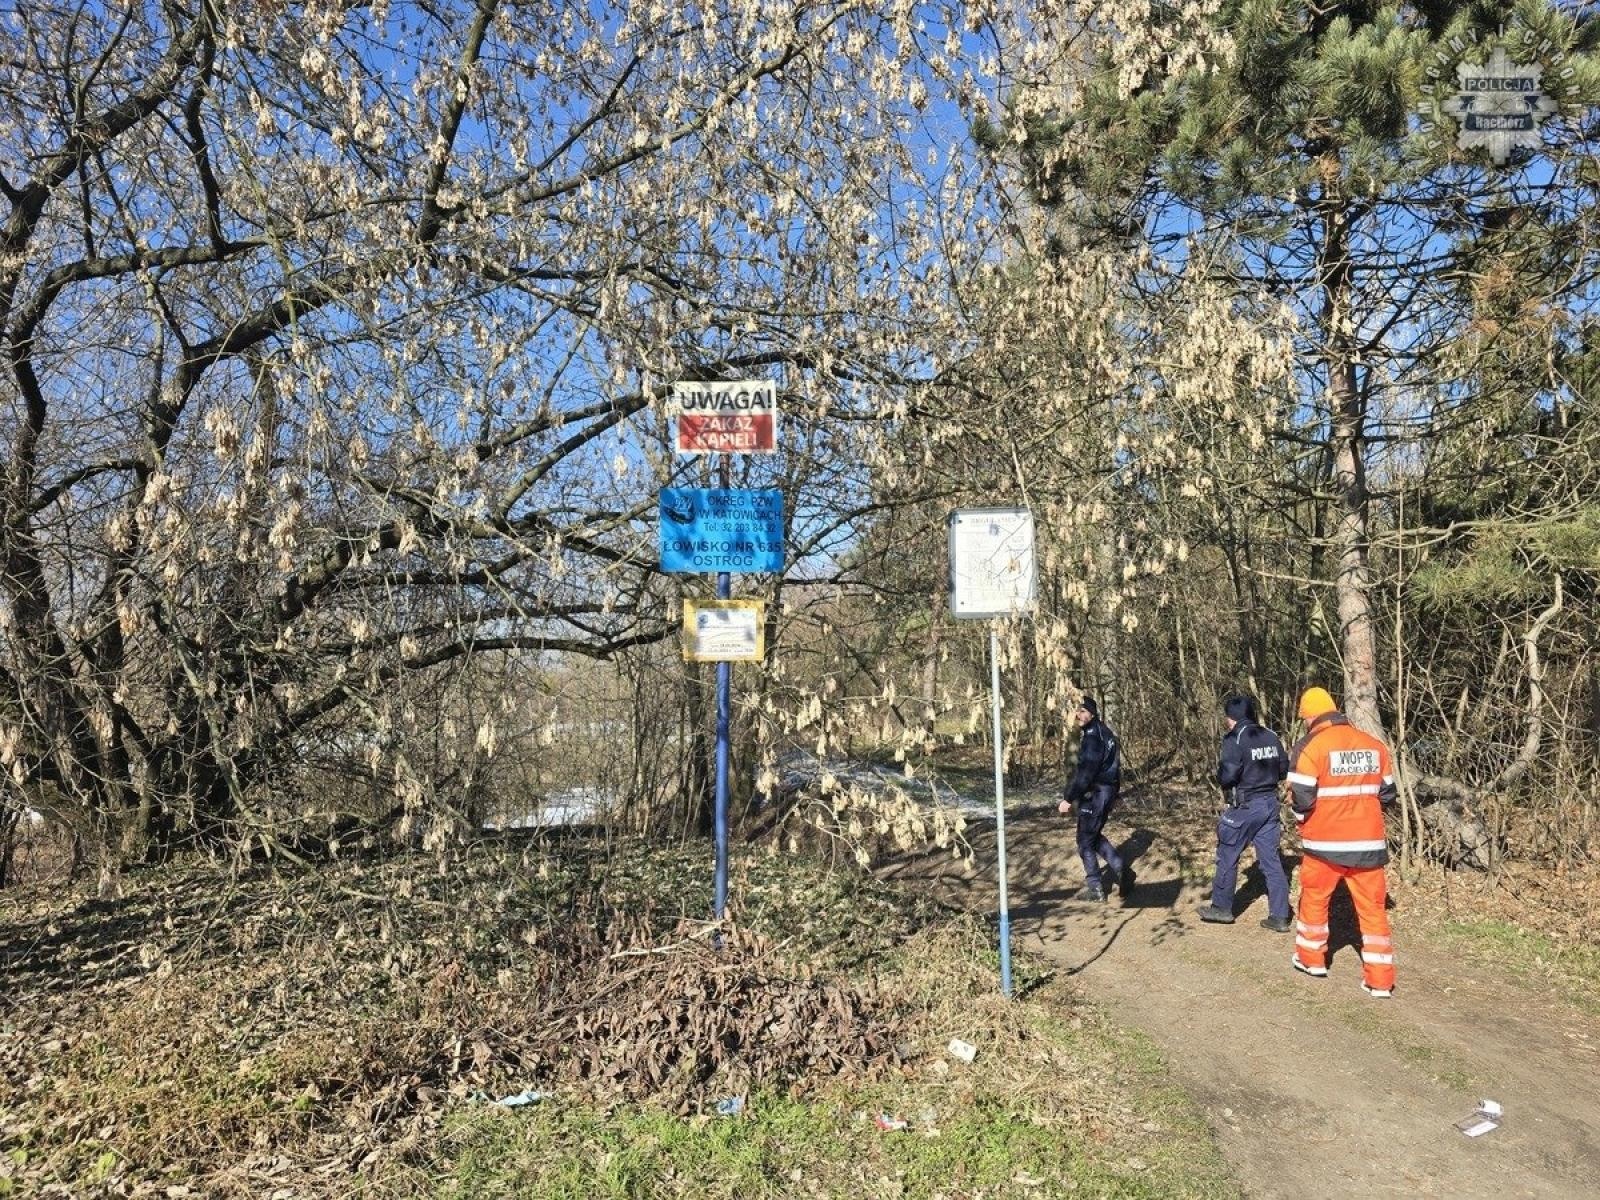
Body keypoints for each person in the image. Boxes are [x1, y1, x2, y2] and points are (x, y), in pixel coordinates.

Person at [1287, 686, 1399, 998]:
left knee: (1314, 900)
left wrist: (1300, 819)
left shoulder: (1311, 746)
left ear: (1309, 717)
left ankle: (1312, 960)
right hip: (1368, 845)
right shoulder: (1374, 746)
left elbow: (1302, 797)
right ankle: (1380, 980)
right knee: (1373, 911)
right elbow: (1388, 794)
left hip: (1324, 844)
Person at [1197, 694, 1292, 932]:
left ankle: (1221, 908)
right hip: (1270, 804)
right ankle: (1280, 915)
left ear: (1233, 717)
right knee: (1271, 860)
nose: (1226, 722)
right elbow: (1283, 769)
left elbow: (1228, 775)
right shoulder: (1270, 735)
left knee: (1227, 854)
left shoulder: (1235, 738)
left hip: (1246, 807)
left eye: (1227, 717)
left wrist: (1222, 777)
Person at [1059, 695, 1127, 901]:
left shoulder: (1093, 738)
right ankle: (1123, 871)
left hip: (1096, 793)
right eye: (1077, 711)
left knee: (1084, 840)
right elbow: (1114, 766)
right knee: (1093, 835)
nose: (1079, 715)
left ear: (1093, 713)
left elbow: (1086, 773)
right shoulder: (1106, 734)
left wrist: (1068, 799)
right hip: (1106, 792)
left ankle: (1096, 888)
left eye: (1083, 711)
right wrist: (1116, 792)